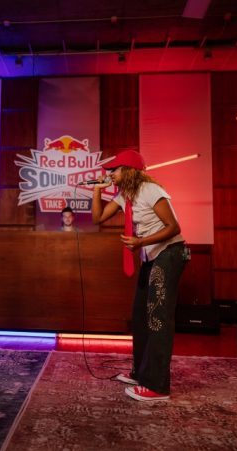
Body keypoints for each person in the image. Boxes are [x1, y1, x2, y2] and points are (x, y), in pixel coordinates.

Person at [91, 150, 188, 402]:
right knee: (140, 316)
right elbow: (98, 217)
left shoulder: (150, 190)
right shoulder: (125, 194)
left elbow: (174, 227)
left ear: (129, 170)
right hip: (151, 256)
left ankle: (157, 386)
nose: (110, 174)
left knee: (158, 319)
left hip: (169, 253)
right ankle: (141, 373)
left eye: (114, 169)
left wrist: (140, 241)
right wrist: (97, 190)